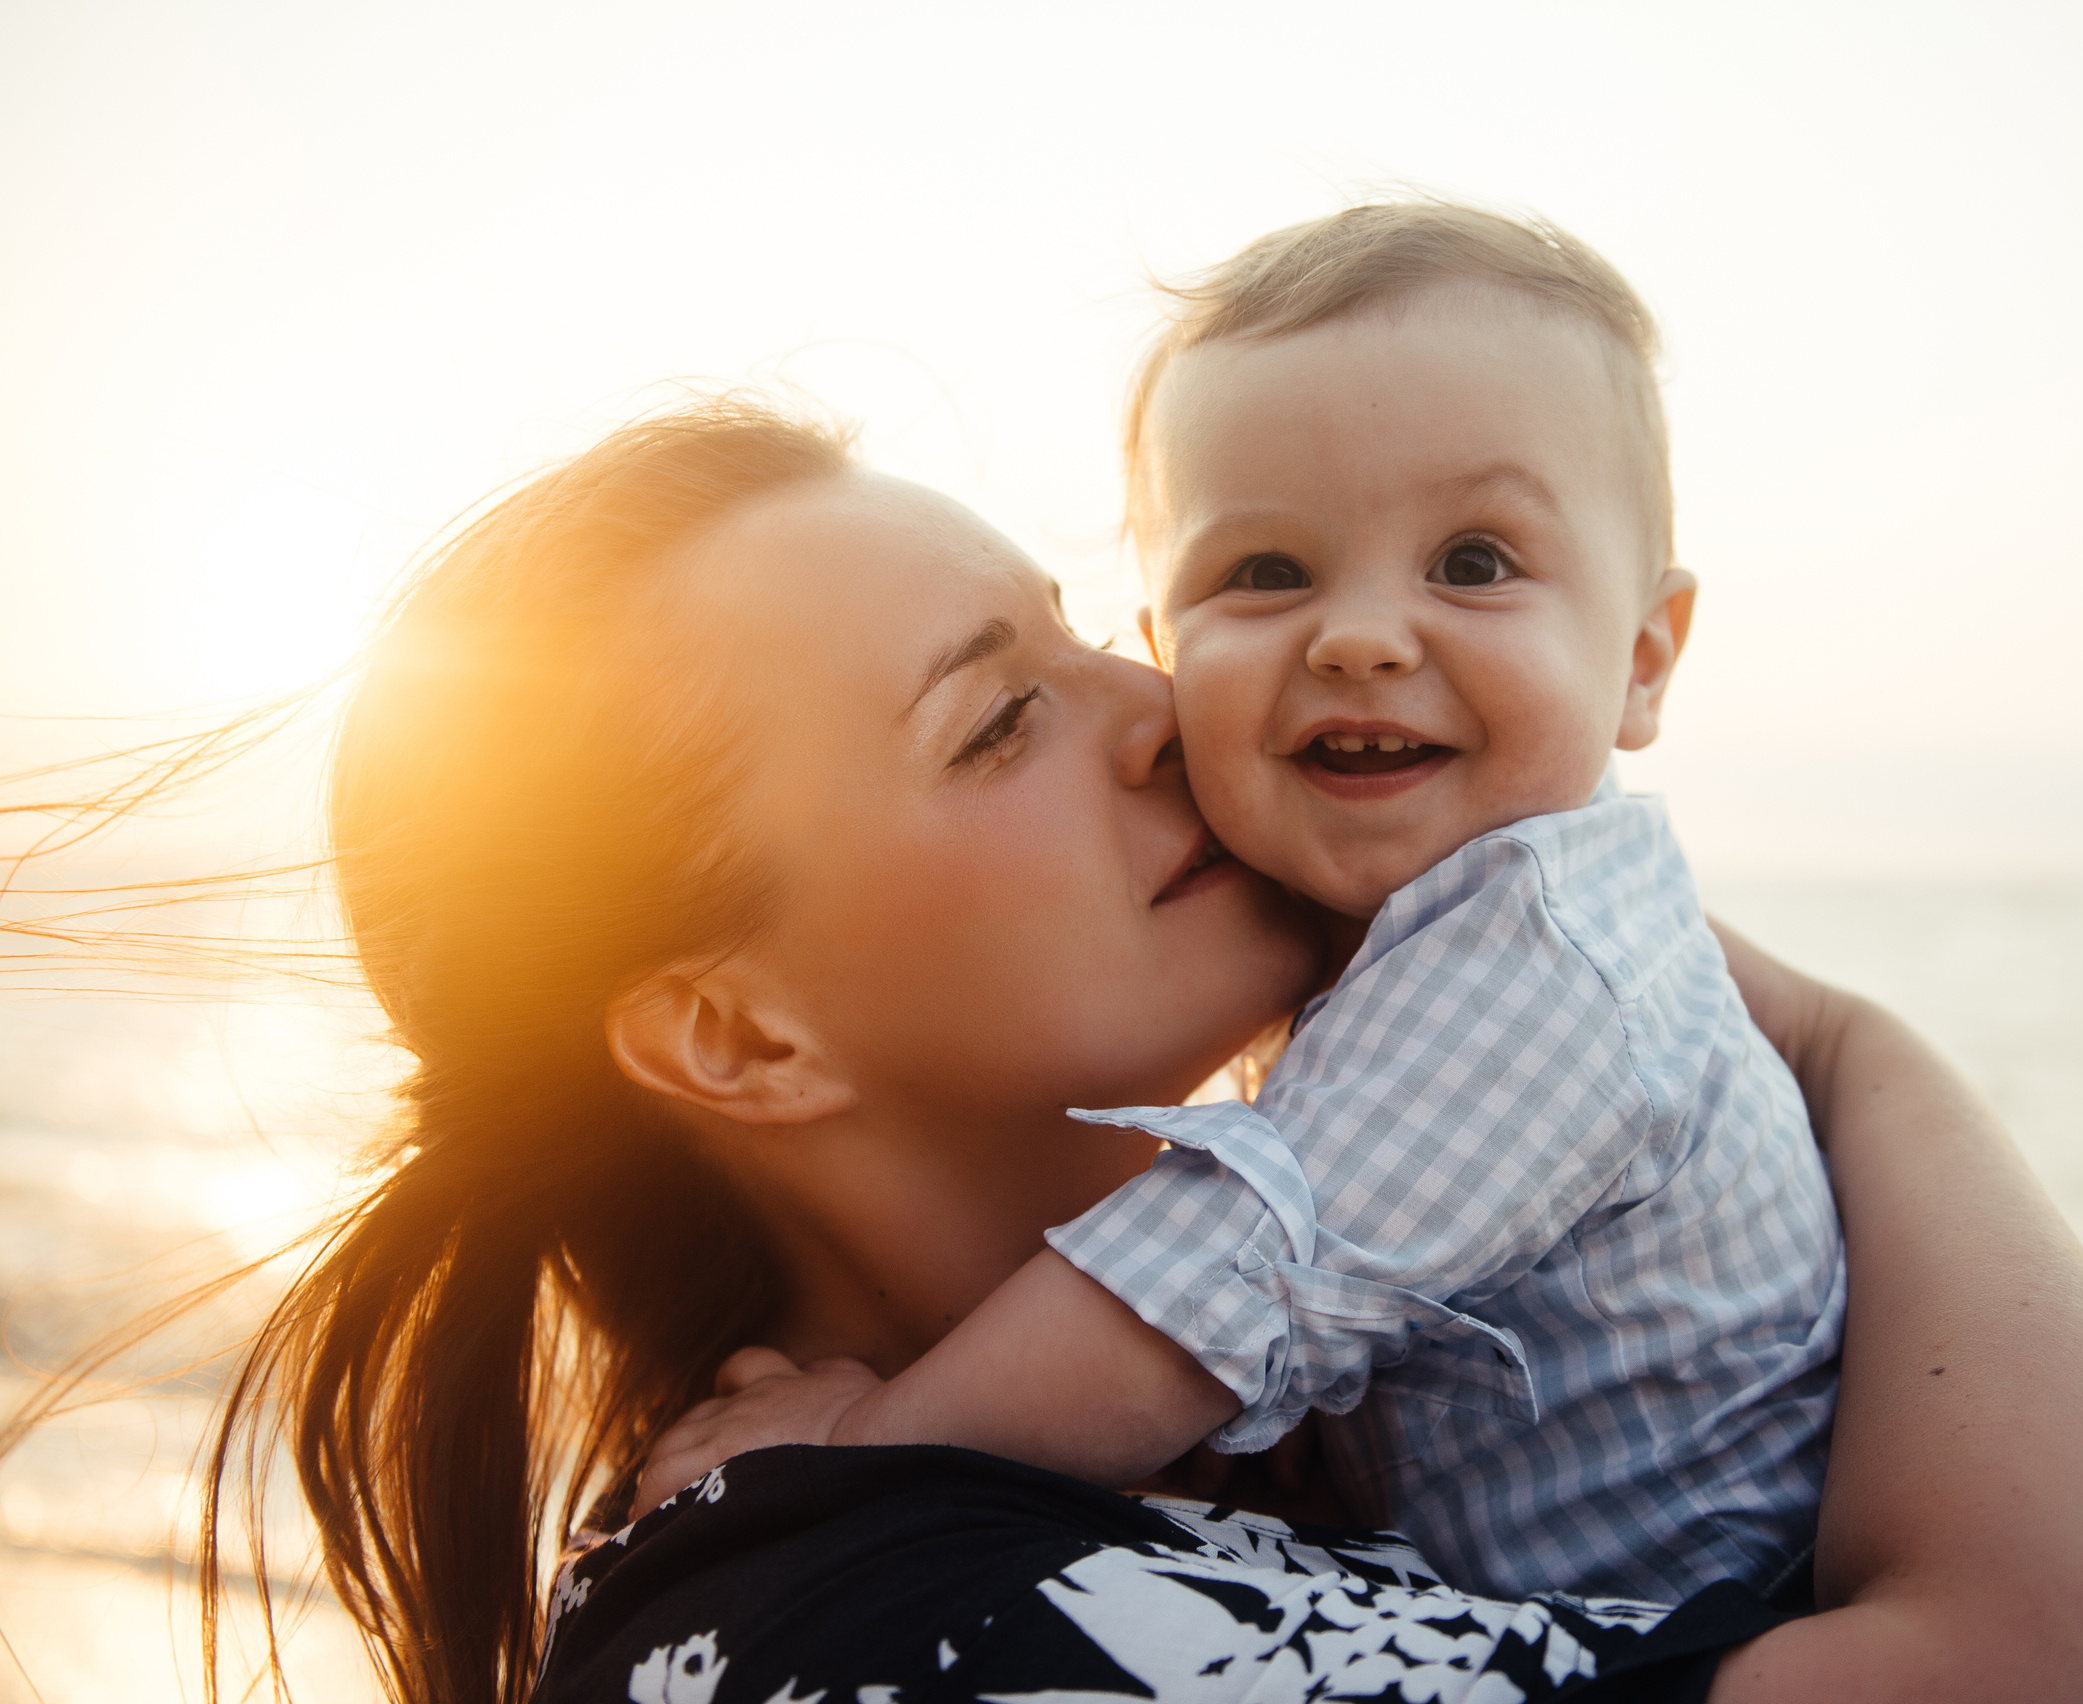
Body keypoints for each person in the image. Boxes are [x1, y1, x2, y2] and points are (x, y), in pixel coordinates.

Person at [7, 398, 2083, 1704]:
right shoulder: (901, 1628)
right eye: (997, 715)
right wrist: (1832, 1040)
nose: (1167, 711)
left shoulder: (1202, 1454)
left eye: (1103, 635)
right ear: (739, 1030)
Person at [630, 203, 1845, 1610]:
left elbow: (1217, 1283)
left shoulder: (1530, 972)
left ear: (1643, 659)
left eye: (1475, 562)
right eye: (1266, 574)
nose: (1362, 635)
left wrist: (859, 1453)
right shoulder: (816, 1631)